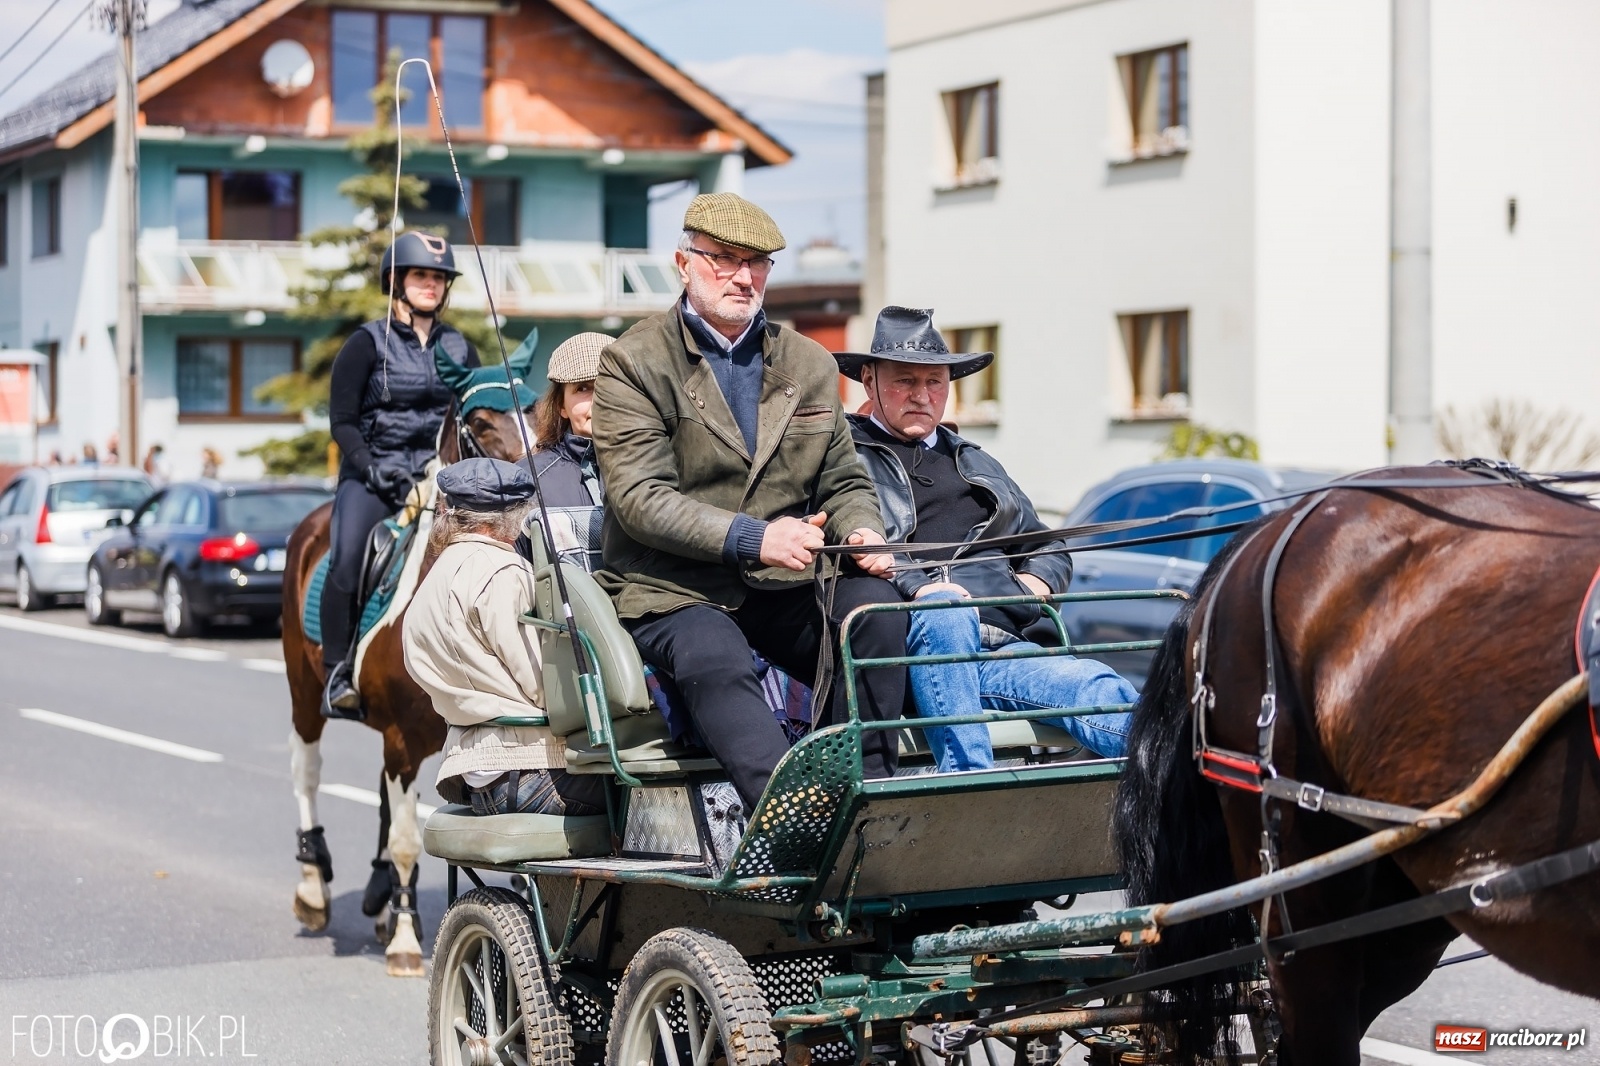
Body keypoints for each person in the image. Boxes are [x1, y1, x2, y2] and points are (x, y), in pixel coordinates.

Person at [591, 192, 907, 810]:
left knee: (875, 616)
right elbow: (637, 497)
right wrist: (755, 536)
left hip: (783, 582)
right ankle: (790, 818)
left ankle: (859, 800)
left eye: (757, 263)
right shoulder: (632, 361)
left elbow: (843, 478)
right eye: (724, 259)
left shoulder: (809, 361)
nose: (743, 276)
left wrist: (864, 529)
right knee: (714, 653)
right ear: (683, 264)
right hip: (674, 586)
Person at [838, 306, 1138, 771]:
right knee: (946, 614)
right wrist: (925, 587)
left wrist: (1034, 588)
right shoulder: (847, 458)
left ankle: (1189, 785)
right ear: (868, 381)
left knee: (1099, 689)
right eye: (905, 381)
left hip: (1001, 644)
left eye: (934, 382)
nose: (922, 396)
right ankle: (971, 788)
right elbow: (857, 539)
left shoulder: (976, 461)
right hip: (914, 641)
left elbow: (1048, 543)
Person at [321, 231, 479, 718]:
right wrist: (372, 469)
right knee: (347, 557)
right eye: (420, 275)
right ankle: (337, 671)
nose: (430, 285)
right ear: (397, 281)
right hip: (373, 478)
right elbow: (342, 422)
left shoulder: (459, 346)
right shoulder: (366, 343)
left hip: (437, 480)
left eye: (438, 277)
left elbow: (471, 416)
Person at [403, 457, 606, 817]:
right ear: (513, 516)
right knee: (652, 794)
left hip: (472, 779)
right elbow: (542, 684)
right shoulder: (503, 571)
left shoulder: (433, 577)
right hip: (531, 773)